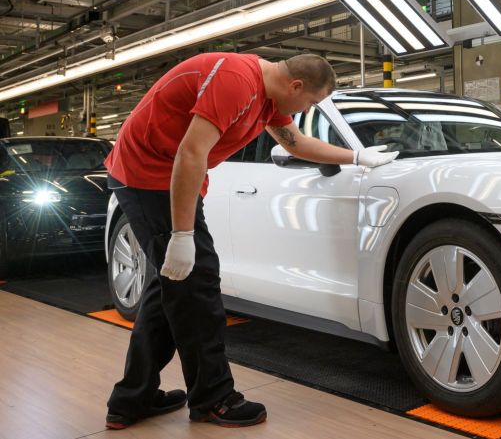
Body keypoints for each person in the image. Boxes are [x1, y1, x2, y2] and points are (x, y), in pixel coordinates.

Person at [102, 53, 397, 430]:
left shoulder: (269, 98)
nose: (308, 109)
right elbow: (191, 152)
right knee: (199, 286)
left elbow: (297, 145)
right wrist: (182, 235)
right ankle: (213, 399)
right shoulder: (236, 82)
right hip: (148, 176)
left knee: (173, 289)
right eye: (310, 102)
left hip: (164, 178)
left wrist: (358, 156)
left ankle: (132, 398)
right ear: (296, 86)